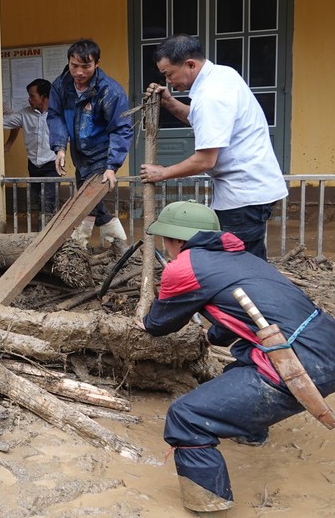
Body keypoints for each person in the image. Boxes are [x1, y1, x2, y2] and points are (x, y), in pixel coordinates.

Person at [137, 200, 335, 513]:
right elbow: (241, 316)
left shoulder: (183, 266)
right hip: (326, 344)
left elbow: (160, 324)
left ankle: (208, 504)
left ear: (173, 240)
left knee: (186, 417)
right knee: (241, 360)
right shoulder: (243, 259)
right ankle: (252, 433)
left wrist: (145, 322)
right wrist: (211, 336)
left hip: (296, 361)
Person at [139, 34, 287, 261]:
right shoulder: (222, 75)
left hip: (244, 195)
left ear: (190, 64)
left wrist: (162, 173)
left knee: (239, 265)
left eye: (169, 74)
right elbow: (203, 120)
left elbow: (206, 160)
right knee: (250, 261)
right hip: (250, 190)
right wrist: (168, 101)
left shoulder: (211, 95)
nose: (168, 80)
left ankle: (251, 295)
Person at [47, 38, 132, 251]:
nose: (79, 72)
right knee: (89, 198)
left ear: (97, 63)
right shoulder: (60, 86)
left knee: (86, 199)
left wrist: (112, 166)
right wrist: (60, 148)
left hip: (102, 154)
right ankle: (119, 245)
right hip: (79, 154)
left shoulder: (109, 91)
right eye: (74, 66)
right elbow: (55, 116)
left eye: (86, 66)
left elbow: (121, 128)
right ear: (68, 62)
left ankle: (79, 244)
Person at [3, 78, 58, 217]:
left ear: (44, 96)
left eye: (32, 95)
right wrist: (0, 107)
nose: (29, 99)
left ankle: (46, 232)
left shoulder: (57, 114)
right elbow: (3, 122)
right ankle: (45, 229)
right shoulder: (24, 114)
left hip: (52, 163)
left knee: (48, 200)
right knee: (38, 199)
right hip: (33, 164)